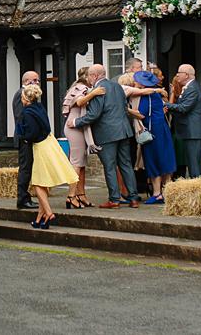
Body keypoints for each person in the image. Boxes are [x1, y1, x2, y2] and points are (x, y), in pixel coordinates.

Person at [73, 64, 139, 208]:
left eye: (89, 76)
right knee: (126, 165)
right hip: (124, 130)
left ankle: (114, 199)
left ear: (95, 76)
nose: (89, 79)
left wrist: (76, 121)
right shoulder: (117, 86)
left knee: (109, 166)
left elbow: (94, 114)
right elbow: (123, 107)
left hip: (107, 133)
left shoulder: (99, 90)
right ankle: (133, 198)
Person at [18, 84, 79, 228]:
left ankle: (49, 213)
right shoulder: (39, 107)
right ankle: (41, 217)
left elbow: (32, 133)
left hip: (41, 146)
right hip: (50, 142)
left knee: (38, 183)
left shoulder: (27, 112)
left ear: (26, 98)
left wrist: (25, 138)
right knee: (43, 182)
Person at [132, 69, 175, 203]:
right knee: (165, 158)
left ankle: (157, 193)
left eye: (136, 81)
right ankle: (167, 191)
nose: (134, 83)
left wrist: (127, 110)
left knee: (153, 160)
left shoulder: (146, 97)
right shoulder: (156, 95)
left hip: (152, 132)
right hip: (163, 129)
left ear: (142, 84)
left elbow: (141, 114)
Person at [62, 67, 102, 208]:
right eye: (91, 75)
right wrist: (94, 93)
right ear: (86, 76)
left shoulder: (82, 87)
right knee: (76, 163)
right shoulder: (80, 87)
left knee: (82, 163)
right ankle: (71, 196)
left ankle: (81, 195)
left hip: (79, 128)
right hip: (74, 128)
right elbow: (79, 102)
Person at [168, 64, 201, 181]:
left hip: (193, 131)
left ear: (186, 75)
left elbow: (184, 108)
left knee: (194, 163)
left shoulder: (192, 88)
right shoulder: (189, 87)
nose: (177, 75)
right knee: (192, 162)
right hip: (190, 131)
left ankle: (198, 188)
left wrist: (165, 105)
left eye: (179, 73)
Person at [11, 70, 40, 210]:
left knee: (29, 168)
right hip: (24, 139)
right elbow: (20, 117)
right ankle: (22, 198)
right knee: (25, 168)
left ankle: (25, 196)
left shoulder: (32, 95)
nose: (38, 83)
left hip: (30, 137)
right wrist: (27, 136)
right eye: (35, 80)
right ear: (27, 81)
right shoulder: (20, 94)